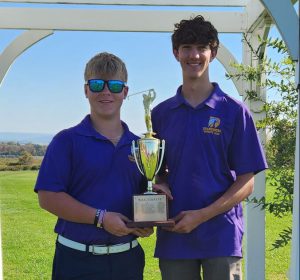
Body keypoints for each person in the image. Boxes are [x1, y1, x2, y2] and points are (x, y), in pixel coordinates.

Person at [151, 15, 268, 280]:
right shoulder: (161, 114)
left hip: (222, 236)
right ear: (175, 53)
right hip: (175, 234)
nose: (194, 55)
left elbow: (247, 182)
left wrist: (202, 216)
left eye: (201, 47)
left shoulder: (235, 112)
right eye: (186, 48)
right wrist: (160, 182)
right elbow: (158, 169)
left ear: (212, 53)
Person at [34, 52, 154, 280]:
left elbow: (142, 197)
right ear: (86, 90)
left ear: (125, 92)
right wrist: (100, 218)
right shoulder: (66, 140)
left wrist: (146, 220)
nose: (106, 92)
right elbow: (48, 197)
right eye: (97, 84)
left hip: (127, 261)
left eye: (115, 85)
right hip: (76, 260)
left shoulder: (140, 146)